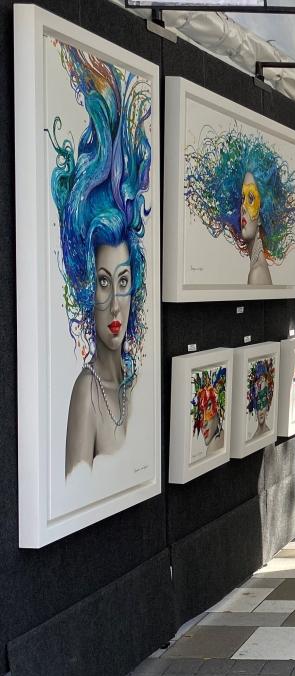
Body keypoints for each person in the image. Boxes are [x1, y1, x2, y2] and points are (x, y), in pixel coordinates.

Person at [51, 43, 152, 474]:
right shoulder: (85, 394)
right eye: (103, 281)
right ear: (85, 286)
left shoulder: (137, 380)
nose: (114, 305)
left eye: (123, 281)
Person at [184, 128, 295, 285]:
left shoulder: (257, 274)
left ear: (262, 214)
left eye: (251, 198)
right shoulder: (258, 267)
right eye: (242, 198)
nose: (243, 207)